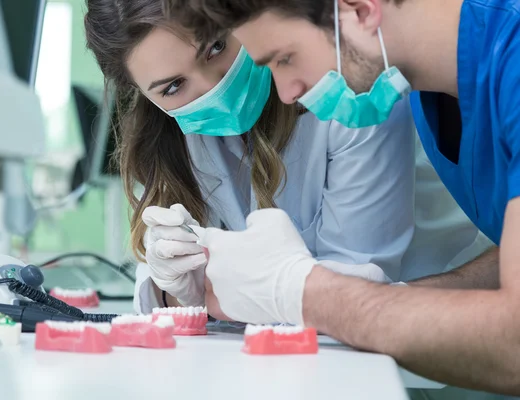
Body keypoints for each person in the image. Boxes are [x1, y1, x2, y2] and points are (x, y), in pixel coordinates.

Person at [164, 0, 520, 396]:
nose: (287, 94)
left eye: (284, 59)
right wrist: (393, 300)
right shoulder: (426, 89)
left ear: (361, 10)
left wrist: (302, 291)